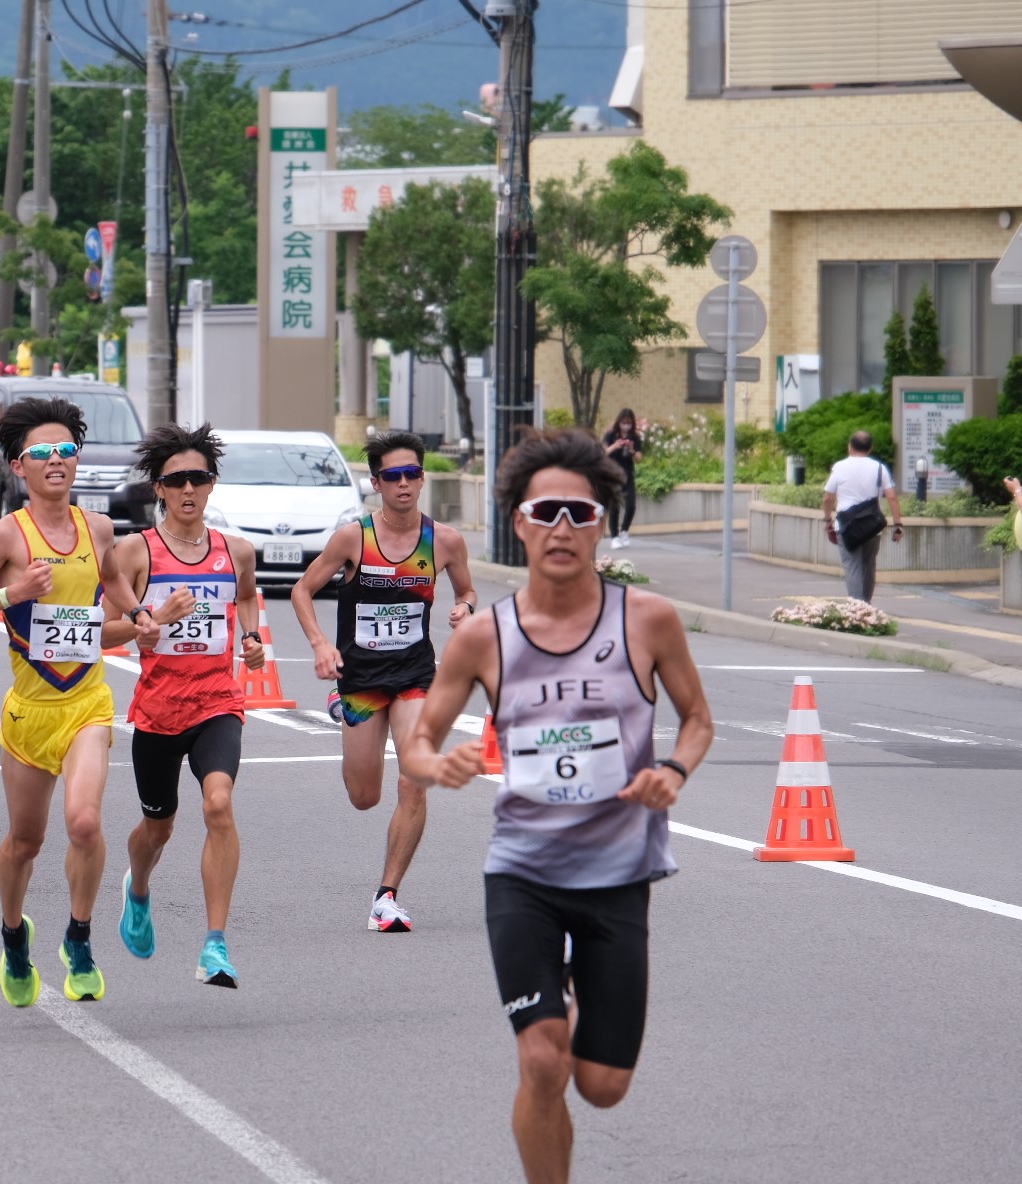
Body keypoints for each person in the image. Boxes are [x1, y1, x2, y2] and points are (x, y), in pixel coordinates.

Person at [397, 428, 714, 1184]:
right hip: (524, 875)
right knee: (543, 1061)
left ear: (603, 522)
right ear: (519, 522)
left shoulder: (649, 620)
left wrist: (672, 769)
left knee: (600, 1087)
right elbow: (417, 742)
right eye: (547, 512)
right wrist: (438, 764)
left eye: (581, 512)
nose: (563, 528)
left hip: (617, 875)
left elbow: (699, 719)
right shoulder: (482, 638)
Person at [0, 397, 154, 1007]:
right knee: (25, 843)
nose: (57, 462)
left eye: (67, 451)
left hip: (86, 701)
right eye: (43, 454)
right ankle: (14, 936)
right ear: (19, 466)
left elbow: (111, 580)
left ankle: (80, 937)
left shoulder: (98, 527)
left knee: (85, 823)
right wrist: (13, 592)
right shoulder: (5, 535)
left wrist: (137, 613)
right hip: (29, 712)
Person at [289, 429, 476, 933]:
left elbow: (467, 591)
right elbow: (302, 591)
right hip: (361, 679)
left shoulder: (445, 541)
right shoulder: (354, 538)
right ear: (376, 483)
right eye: (392, 476)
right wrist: (321, 646)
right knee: (365, 795)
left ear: (422, 478)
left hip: (416, 675)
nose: (403, 484)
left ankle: (386, 896)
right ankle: (339, 706)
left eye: (412, 474)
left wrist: (465, 607)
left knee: (415, 780)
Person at [113, 423, 266, 988]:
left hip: (216, 701)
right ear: (158, 488)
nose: (188, 489)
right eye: (176, 480)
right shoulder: (136, 552)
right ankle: (137, 887)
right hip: (157, 710)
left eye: (198, 478)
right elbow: (116, 607)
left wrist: (251, 641)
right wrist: (146, 623)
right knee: (158, 829)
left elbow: (246, 595)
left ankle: (215, 945)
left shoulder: (236, 550)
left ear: (211, 484)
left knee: (218, 804)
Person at [821, 430, 903, 603]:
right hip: (872, 527)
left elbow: (828, 498)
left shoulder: (840, 467)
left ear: (849, 446)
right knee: (868, 567)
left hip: (847, 526)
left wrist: (828, 520)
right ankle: (866, 607)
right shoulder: (880, 468)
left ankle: (857, 611)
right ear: (870, 448)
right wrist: (898, 525)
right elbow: (892, 497)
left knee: (853, 567)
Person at [600, 409, 642, 548]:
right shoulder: (610, 435)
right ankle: (614, 537)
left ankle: (624, 530)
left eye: (629, 423)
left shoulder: (634, 437)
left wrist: (631, 449)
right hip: (612, 474)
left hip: (628, 474)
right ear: (619, 422)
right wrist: (615, 445)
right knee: (614, 507)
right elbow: (603, 453)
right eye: (624, 423)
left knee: (631, 505)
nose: (626, 425)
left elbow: (639, 459)